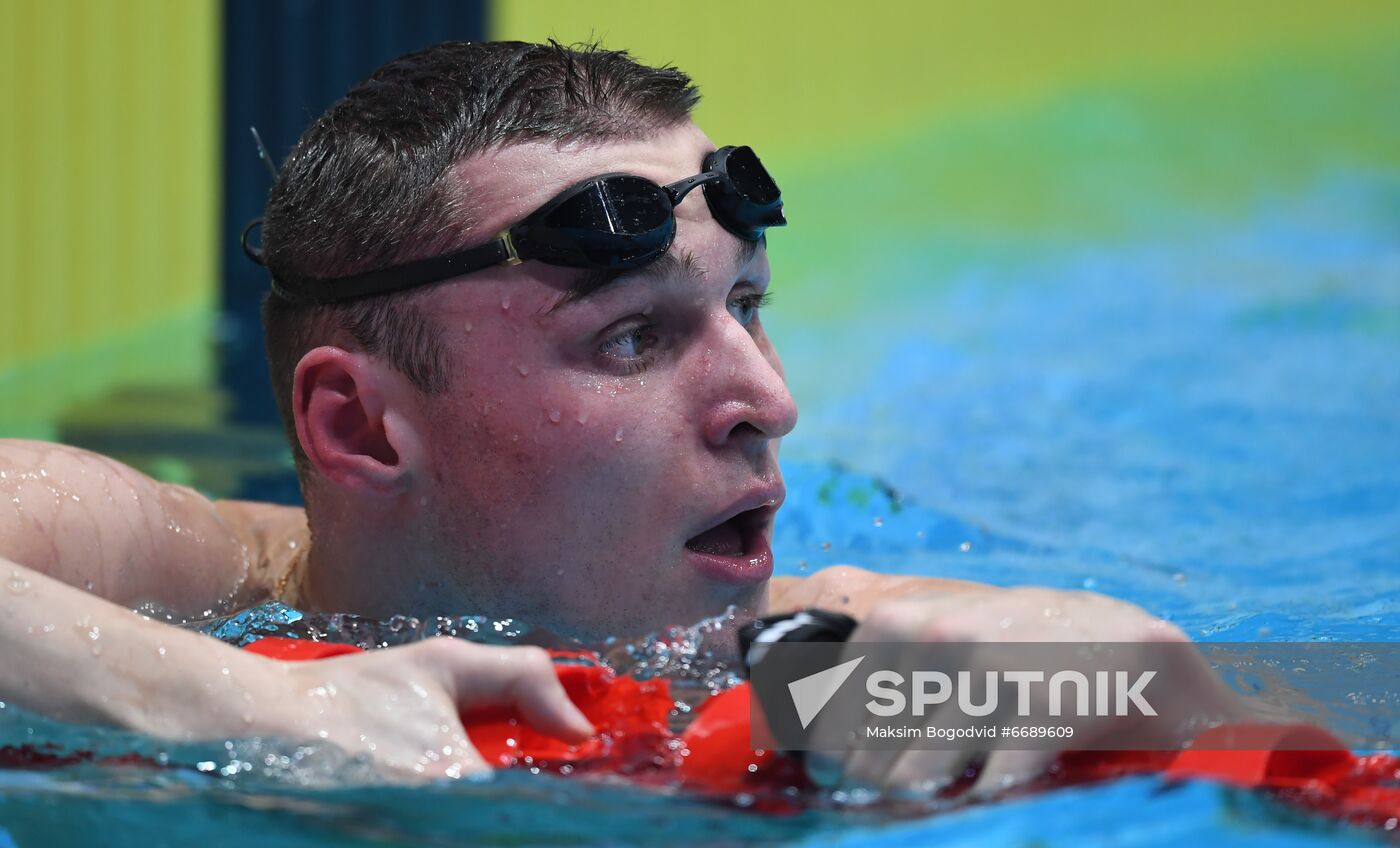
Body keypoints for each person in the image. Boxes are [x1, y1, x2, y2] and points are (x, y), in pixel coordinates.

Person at [0, 41, 1249, 792]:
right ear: (363, 430)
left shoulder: (818, 656)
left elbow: (1285, 751)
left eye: (746, 307)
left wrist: (1145, 677)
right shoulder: (165, 575)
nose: (769, 400)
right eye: (633, 336)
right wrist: (255, 704)